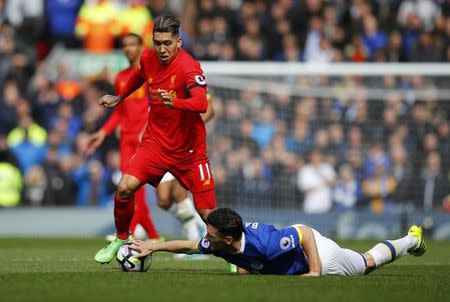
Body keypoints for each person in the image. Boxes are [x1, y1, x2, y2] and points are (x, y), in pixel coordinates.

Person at [94, 16, 216, 264]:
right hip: (156, 144)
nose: (162, 49)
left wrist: (177, 102)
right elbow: (140, 76)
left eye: (167, 43)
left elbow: (202, 103)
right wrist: (120, 98)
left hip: (189, 151)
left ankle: (236, 256)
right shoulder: (149, 58)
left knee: (207, 214)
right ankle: (121, 238)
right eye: (157, 43)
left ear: (179, 41)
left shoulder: (189, 67)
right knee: (125, 187)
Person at [131, 208, 427, 276]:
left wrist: (314, 271)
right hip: (295, 254)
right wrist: (151, 247)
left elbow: (305, 233)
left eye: (210, 235)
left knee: (366, 263)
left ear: (229, 238)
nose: (205, 239)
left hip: (319, 253)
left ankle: (411, 239)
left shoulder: (267, 244)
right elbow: (187, 245)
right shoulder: (221, 243)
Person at [86, 33, 161, 241]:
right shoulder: (120, 77)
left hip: (144, 140)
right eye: (125, 45)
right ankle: (153, 236)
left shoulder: (150, 74)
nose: (128, 48)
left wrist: (146, 128)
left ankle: (127, 233)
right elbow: (120, 111)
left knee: (136, 190)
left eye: (132, 44)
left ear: (141, 47)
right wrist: (103, 132)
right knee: (130, 190)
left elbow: (156, 106)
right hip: (126, 140)